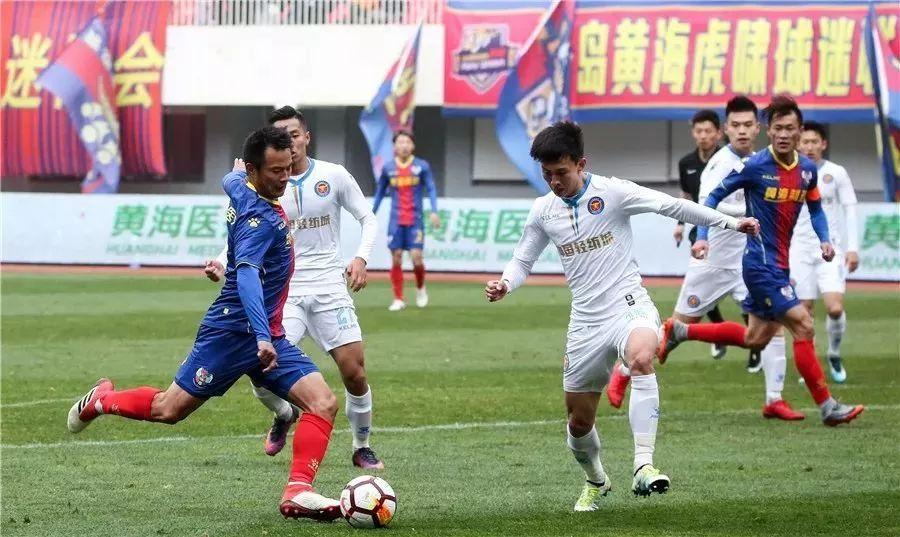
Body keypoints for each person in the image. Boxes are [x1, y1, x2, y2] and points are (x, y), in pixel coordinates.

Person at [67, 127, 343, 521]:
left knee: (323, 403)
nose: (285, 178)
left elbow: (229, 179)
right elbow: (247, 276)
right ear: (254, 170)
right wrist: (261, 336)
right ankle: (101, 400)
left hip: (267, 335)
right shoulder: (259, 219)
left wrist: (235, 175)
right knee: (168, 410)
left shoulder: (243, 187)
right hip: (232, 333)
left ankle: (298, 490)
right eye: (276, 171)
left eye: (288, 168)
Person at [484, 121, 760, 511]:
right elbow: (522, 260)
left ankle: (643, 465)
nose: (554, 182)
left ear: (581, 164)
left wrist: (730, 223)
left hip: (628, 305)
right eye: (546, 174)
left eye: (561, 172)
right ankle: (596, 480)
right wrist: (505, 283)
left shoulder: (613, 192)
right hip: (585, 322)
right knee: (579, 423)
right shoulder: (543, 210)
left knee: (642, 356)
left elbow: (671, 205)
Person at [657, 96, 865, 427]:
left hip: (780, 264)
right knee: (804, 324)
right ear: (768, 130)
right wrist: (703, 236)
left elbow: (815, 209)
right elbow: (711, 197)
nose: (783, 134)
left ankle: (682, 331)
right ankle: (827, 406)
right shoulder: (754, 167)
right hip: (758, 265)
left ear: (800, 131)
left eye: (790, 128)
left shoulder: (807, 170)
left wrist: (825, 239)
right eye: (777, 128)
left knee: (756, 338)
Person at [205, 106, 384, 469]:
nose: (290, 142)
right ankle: (284, 413)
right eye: (282, 136)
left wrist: (361, 258)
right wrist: (221, 261)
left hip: (329, 286)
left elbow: (367, 218)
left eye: (295, 134)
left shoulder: (334, 175)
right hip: (282, 292)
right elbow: (244, 233)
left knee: (355, 372)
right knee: (261, 369)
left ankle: (361, 446)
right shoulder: (263, 184)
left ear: (306, 137)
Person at [607, 97, 793, 420]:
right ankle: (624, 369)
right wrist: (702, 238)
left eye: (748, 125)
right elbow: (705, 203)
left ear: (758, 128)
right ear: (726, 129)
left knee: (772, 327)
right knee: (677, 327)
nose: (742, 131)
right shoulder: (719, 164)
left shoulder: (763, 162)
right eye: (736, 125)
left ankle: (774, 400)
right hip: (713, 261)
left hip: (750, 262)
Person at [790, 121, 859, 383]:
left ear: (823, 144)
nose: (809, 147)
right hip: (799, 250)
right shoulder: (790, 173)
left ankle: (834, 353)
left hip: (830, 249)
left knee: (834, 308)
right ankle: (811, 366)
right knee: (803, 312)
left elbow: (850, 209)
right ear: (798, 144)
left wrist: (852, 248)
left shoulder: (836, 173)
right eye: (804, 142)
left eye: (814, 142)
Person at [373, 130, 440, 311]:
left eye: (407, 142)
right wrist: (371, 213)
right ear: (395, 146)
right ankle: (398, 298)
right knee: (396, 258)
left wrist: (434, 211)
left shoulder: (422, 166)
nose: (404, 145)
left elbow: (431, 188)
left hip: (415, 220)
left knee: (416, 258)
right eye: (400, 142)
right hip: (396, 221)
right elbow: (380, 192)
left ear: (413, 145)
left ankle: (420, 287)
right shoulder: (388, 168)